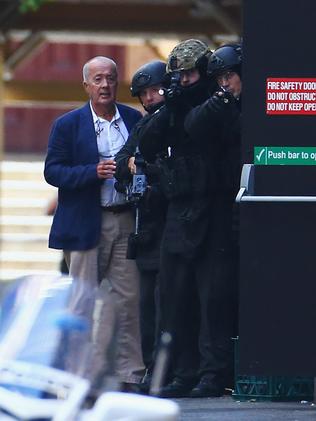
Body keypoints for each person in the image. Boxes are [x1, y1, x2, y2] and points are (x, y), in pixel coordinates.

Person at [44, 56, 145, 393]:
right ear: (86, 85)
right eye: (98, 79)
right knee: (82, 302)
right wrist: (92, 172)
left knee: (128, 301)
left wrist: (136, 168)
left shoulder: (133, 119)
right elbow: (53, 171)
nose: (105, 85)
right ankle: (76, 375)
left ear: (118, 83)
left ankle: (130, 375)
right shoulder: (68, 124)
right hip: (86, 223)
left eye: (111, 79)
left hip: (125, 219)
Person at [137, 39, 215, 398]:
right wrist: (170, 104)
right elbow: (147, 142)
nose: (183, 81)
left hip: (212, 213)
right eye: (178, 76)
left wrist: (182, 103)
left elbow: (203, 130)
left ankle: (210, 374)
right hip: (179, 212)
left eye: (189, 74)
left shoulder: (216, 104)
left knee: (210, 298)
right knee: (173, 298)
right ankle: (180, 374)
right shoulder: (173, 105)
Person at [183, 43, 242, 397]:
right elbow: (192, 125)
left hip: (261, 207)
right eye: (219, 77)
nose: (225, 83)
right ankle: (216, 371)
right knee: (218, 295)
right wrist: (218, 100)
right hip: (225, 210)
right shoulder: (218, 105)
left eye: (229, 76)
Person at [115, 60, 167, 387]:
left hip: (175, 222)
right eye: (144, 93)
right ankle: (151, 367)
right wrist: (134, 165)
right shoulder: (143, 126)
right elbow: (122, 164)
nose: (150, 97)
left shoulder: (179, 121)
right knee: (146, 305)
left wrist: (145, 165)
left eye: (155, 90)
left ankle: (170, 369)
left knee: (168, 304)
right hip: (146, 226)